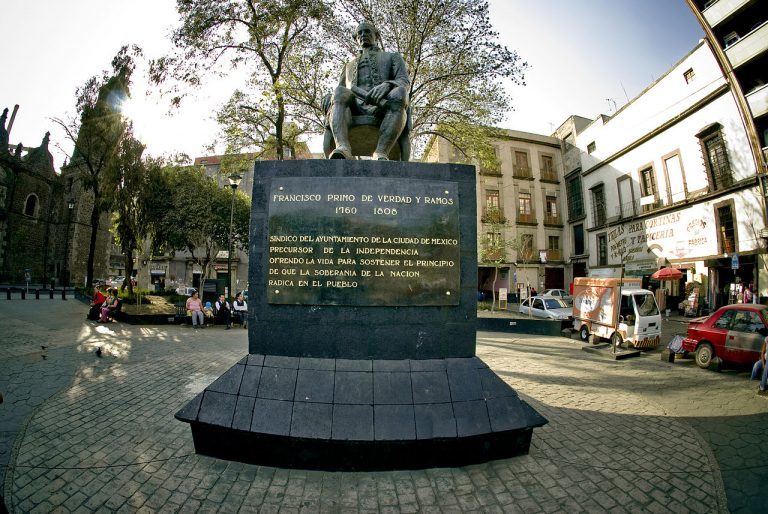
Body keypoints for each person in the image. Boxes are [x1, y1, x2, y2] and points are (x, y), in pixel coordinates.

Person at [325, 20, 410, 161]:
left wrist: (388, 85)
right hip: (355, 107)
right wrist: (329, 97)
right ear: (355, 39)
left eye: (367, 31)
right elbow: (340, 90)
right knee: (339, 92)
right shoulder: (348, 66)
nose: (363, 35)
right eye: (359, 33)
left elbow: (404, 81)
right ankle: (343, 148)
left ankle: (381, 152)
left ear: (377, 36)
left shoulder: (393, 57)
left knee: (400, 92)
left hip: (384, 105)